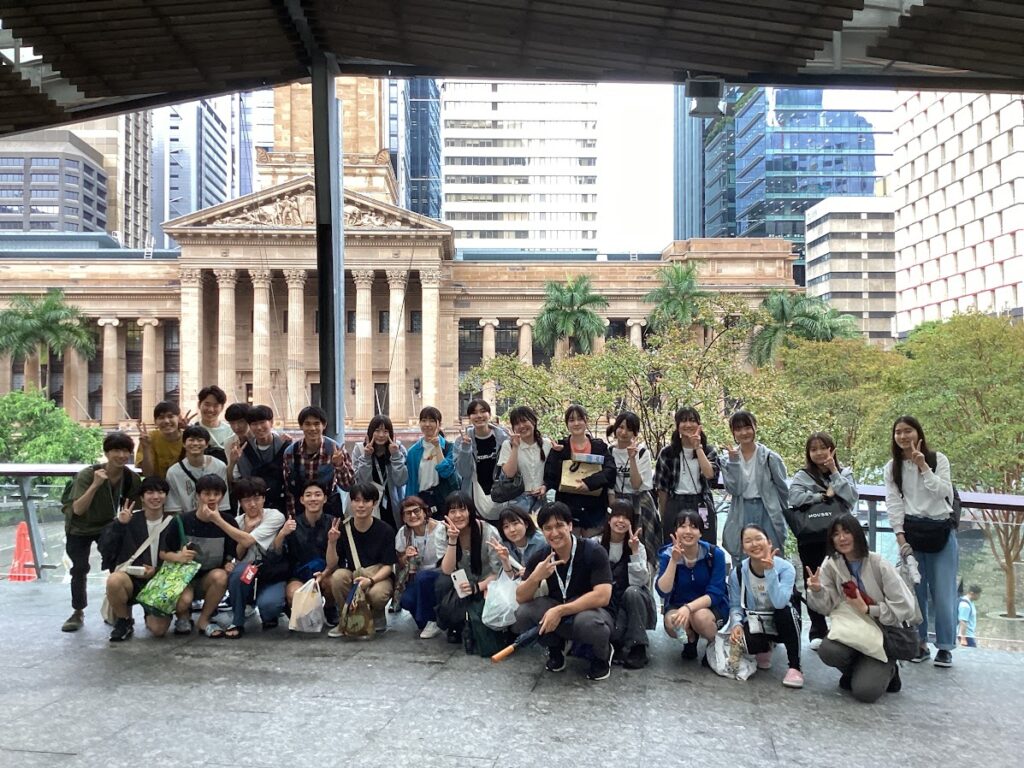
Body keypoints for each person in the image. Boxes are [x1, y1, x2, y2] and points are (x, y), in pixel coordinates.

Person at [807, 514, 918, 702]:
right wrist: (817, 591)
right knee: (828, 650)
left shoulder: (878, 563)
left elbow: (905, 607)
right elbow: (826, 607)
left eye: (847, 532)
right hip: (853, 628)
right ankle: (855, 669)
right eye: (836, 534)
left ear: (857, 534)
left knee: (865, 692)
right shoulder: (831, 564)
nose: (842, 538)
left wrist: (869, 610)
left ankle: (889, 669)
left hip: (884, 632)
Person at [884, 415, 958, 667]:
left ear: (918, 433)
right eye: (898, 432)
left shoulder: (938, 459)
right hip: (912, 533)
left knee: (944, 593)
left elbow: (944, 492)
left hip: (940, 531)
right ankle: (919, 642)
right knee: (914, 593)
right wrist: (900, 537)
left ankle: (945, 647)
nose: (903, 436)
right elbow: (893, 503)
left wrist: (923, 466)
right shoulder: (892, 467)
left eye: (908, 431)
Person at [513, 502, 615, 680]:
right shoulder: (542, 556)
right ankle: (555, 649)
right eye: (548, 528)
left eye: (559, 525)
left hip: (593, 613)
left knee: (588, 623)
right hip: (560, 610)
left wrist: (561, 610)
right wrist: (535, 577)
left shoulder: (593, 551)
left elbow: (603, 596)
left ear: (570, 526)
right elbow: (521, 597)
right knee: (524, 614)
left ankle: (602, 655)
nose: (554, 533)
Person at [62, 431, 143, 632]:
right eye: (116, 450)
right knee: (79, 568)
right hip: (79, 527)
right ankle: (78, 611)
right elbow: (78, 509)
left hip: (107, 526)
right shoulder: (88, 475)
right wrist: (95, 485)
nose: (121, 455)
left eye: (125, 451)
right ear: (107, 453)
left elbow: (136, 508)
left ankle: (119, 611)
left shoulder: (130, 478)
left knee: (117, 565)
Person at [788, 431, 859, 649]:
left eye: (823, 448)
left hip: (840, 536)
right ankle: (818, 629)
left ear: (832, 449)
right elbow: (794, 498)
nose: (819, 453)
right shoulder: (803, 476)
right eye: (813, 449)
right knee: (814, 580)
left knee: (844, 578)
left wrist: (834, 472)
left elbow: (851, 498)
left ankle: (844, 626)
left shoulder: (844, 473)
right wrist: (822, 496)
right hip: (811, 537)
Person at [160, 474, 237, 638]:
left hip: (208, 578)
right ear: (197, 495)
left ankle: (204, 619)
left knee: (221, 576)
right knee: (183, 602)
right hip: (183, 578)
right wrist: (179, 556)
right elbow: (163, 553)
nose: (211, 498)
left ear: (222, 497)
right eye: (207, 494)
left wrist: (229, 563)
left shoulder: (228, 522)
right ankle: (183, 616)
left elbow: (232, 553)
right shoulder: (182, 521)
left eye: (216, 494)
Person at [727, 524, 804, 688]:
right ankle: (765, 647)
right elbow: (735, 605)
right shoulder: (738, 572)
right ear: (743, 548)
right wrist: (736, 624)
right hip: (758, 621)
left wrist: (770, 572)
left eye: (758, 539)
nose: (754, 544)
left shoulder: (785, 568)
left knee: (785, 612)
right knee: (746, 641)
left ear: (769, 543)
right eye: (748, 541)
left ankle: (795, 667)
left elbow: (780, 602)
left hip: (784, 620)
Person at [100, 476, 174, 641]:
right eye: (150, 492)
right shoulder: (130, 519)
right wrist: (119, 524)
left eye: (161, 492)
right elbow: (106, 549)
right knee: (114, 580)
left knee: (158, 630)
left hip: (160, 581)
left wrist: (157, 571)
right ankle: (124, 620)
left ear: (166, 496)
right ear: (142, 497)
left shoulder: (174, 522)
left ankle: (150, 614)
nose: (156, 497)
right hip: (132, 579)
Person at [655, 511, 729, 662]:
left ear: (700, 533)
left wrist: (688, 608)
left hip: (711, 608)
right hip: (679, 605)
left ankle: (713, 646)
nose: (688, 531)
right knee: (672, 622)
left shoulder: (714, 554)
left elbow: (715, 593)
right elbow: (663, 591)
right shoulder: (667, 554)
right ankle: (690, 638)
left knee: (700, 617)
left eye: (693, 527)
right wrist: (674, 561)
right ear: (676, 531)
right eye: (682, 526)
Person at [326, 483, 397, 636]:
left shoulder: (385, 530)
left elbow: (388, 566)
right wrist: (331, 542)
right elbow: (332, 564)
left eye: (366, 501)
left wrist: (370, 581)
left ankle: (377, 615)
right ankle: (345, 618)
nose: (361, 505)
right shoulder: (343, 528)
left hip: (377, 576)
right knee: (337, 577)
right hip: (354, 575)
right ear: (351, 502)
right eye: (356, 500)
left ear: (374, 503)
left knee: (377, 594)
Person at [432, 491, 503, 643]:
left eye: (462, 509)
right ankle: (453, 625)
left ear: (470, 511)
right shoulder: (442, 531)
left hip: (486, 581)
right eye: (453, 511)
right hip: (460, 580)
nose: (458, 515)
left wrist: (476, 587)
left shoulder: (488, 531)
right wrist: (452, 540)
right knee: (442, 583)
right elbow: (447, 570)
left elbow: (498, 572)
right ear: (446, 514)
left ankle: (473, 624)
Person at [593, 501, 656, 669]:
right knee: (615, 633)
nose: (621, 521)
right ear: (609, 519)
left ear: (631, 523)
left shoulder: (638, 546)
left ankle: (638, 647)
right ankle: (616, 643)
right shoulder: (596, 543)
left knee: (633, 592)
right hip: (608, 602)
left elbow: (640, 582)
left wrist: (634, 552)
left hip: (633, 601)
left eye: (626, 517)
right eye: (617, 516)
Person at [720, 410, 789, 561]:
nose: (744, 433)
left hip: (767, 511)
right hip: (741, 510)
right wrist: (734, 462)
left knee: (772, 555)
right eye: (738, 429)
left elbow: (784, 491)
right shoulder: (727, 459)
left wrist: (785, 517)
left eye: (747, 427)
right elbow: (734, 490)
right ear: (733, 432)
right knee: (743, 556)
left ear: (755, 427)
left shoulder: (770, 457)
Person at [224, 477, 286, 638]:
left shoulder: (275, 516)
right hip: (248, 572)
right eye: (247, 500)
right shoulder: (236, 522)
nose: (252, 504)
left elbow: (248, 540)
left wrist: (245, 533)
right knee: (238, 573)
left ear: (264, 498)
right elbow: (238, 554)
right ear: (240, 502)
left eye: (257, 499)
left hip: (272, 572)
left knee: (269, 607)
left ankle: (272, 610)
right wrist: (246, 528)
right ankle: (237, 621)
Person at [543, 405, 615, 537]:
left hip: (595, 509)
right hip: (568, 509)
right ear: (567, 424)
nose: (576, 423)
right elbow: (550, 477)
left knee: (593, 546)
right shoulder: (560, 447)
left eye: (580, 419)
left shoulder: (599, 446)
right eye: (571, 420)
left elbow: (610, 471)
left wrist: (589, 483)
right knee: (570, 544)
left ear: (586, 421)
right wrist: (558, 455)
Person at [655, 406, 720, 545]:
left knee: (706, 546)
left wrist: (698, 448)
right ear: (677, 426)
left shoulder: (708, 450)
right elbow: (662, 489)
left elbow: (710, 474)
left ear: (699, 424)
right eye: (683, 421)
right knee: (673, 545)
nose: (688, 424)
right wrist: (664, 515)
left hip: (701, 502)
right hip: (675, 502)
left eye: (692, 420)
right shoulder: (668, 453)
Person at [606, 411, 662, 575]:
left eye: (629, 429)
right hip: (617, 502)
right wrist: (612, 504)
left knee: (642, 545)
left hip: (640, 503)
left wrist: (632, 458)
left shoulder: (642, 453)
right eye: (621, 427)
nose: (624, 432)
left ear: (635, 433)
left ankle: (645, 582)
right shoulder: (609, 451)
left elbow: (637, 485)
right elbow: (608, 482)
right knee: (617, 543)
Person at [282, 405, 354, 518]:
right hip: (301, 509)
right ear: (301, 426)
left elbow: (348, 486)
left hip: (329, 509)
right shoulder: (291, 452)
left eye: (316, 424)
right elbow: (289, 490)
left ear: (324, 425)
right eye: (307, 424)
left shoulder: (335, 449)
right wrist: (292, 518)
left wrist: (339, 465)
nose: (312, 428)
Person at [280, 480, 335, 622]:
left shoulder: (333, 523)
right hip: (299, 575)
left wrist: (324, 573)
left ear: (325, 499)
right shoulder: (292, 524)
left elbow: (338, 559)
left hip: (326, 573)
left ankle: (330, 608)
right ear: (302, 500)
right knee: (294, 593)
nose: (313, 499)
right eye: (308, 495)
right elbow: (278, 552)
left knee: (334, 582)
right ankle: (299, 610)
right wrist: (282, 534)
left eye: (318, 494)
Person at [394, 495, 443, 638]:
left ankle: (433, 620)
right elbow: (400, 561)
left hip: (439, 573)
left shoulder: (440, 529)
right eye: (408, 513)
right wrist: (406, 556)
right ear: (403, 517)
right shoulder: (404, 533)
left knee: (424, 577)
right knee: (406, 600)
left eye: (416, 511)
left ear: (425, 511)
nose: (413, 516)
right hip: (416, 577)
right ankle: (427, 620)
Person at [228, 404, 290, 512]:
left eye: (262, 422)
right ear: (249, 426)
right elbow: (239, 480)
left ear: (271, 422)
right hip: (253, 505)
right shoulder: (243, 450)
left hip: (281, 503)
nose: (259, 427)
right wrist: (233, 462)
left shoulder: (284, 445)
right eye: (254, 424)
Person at [455, 398, 509, 522]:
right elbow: (464, 473)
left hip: (503, 496)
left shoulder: (504, 438)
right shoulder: (461, 441)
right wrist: (465, 448)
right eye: (474, 413)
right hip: (474, 498)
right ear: (469, 417)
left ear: (489, 414)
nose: (479, 416)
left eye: (483, 411)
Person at [353, 414, 409, 529]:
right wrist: (366, 457)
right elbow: (362, 482)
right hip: (369, 504)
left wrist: (395, 455)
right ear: (371, 431)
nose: (381, 435)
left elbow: (401, 481)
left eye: (385, 431)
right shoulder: (360, 449)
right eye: (377, 431)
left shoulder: (398, 449)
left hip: (393, 504)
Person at [495, 405, 551, 513]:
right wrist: (515, 447)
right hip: (518, 501)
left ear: (533, 421)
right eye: (517, 423)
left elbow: (552, 474)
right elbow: (509, 474)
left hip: (542, 500)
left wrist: (544, 486)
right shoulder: (508, 445)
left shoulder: (547, 444)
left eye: (524, 421)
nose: (521, 426)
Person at [405, 406, 459, 518]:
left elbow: (446, 472)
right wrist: (409, 504)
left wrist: (437, 446)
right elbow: (412, 482)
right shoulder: (413, 451)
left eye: (432, 421)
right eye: (424, 420)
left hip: (443, 499)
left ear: (439, 424)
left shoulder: (450, 447)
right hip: (421, 500)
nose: (427, 424)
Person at [165, 424, 232, 514]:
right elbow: (173, 507)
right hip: (186, 519)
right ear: (184, 444)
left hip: (214, 517)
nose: (195, 443)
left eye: (200, 440)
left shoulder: (219, 466)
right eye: (191, 440)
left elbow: (223, 503)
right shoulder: (173, 472)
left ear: (207, 444)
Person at [136, 400, 188, 479]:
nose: (166, 421)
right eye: (161, 417)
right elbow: (148, 474)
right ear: (155, 422)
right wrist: (146, 448)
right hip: (159, 485)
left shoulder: (188, 438)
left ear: (179, 418)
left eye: (170, 416)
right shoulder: (149, 438)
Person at [495, 506, 547, 575]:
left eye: (515, 523)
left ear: (526, 524)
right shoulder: (503, 545)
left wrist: (529, 572)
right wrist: (505, 561)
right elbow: (511, 576)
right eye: (506, 526)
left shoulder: (541, 542)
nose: (512, 530)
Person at [195, 384, 234, 457]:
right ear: (199, 404)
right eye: (207, 404)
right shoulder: (192, 429)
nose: (211, 410)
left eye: (216, 406)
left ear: (222, 408)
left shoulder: (231, 432)